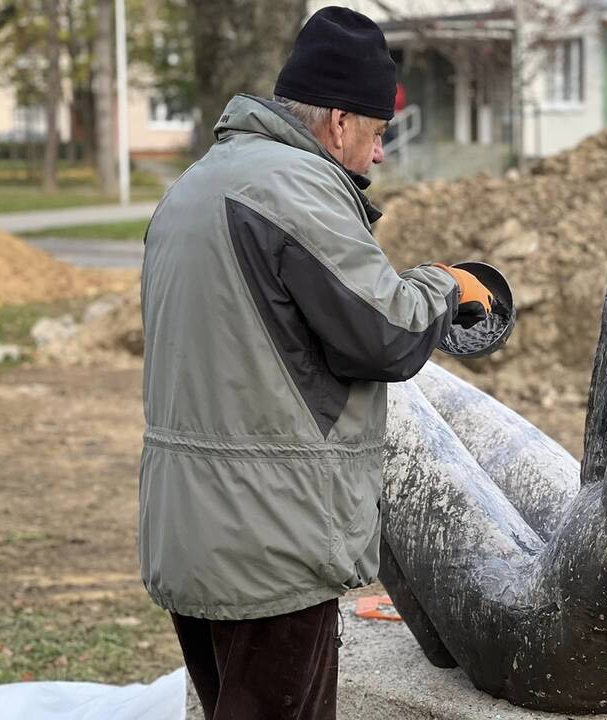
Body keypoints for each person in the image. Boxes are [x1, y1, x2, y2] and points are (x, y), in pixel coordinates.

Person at [137, 7, 493, 720]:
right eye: (376, 131)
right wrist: (447, 285)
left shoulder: (199, 185)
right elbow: (384, 332)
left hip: (194, 531)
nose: (380, 154)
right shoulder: (293, 188)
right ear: (337, 122)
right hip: (271, 540)